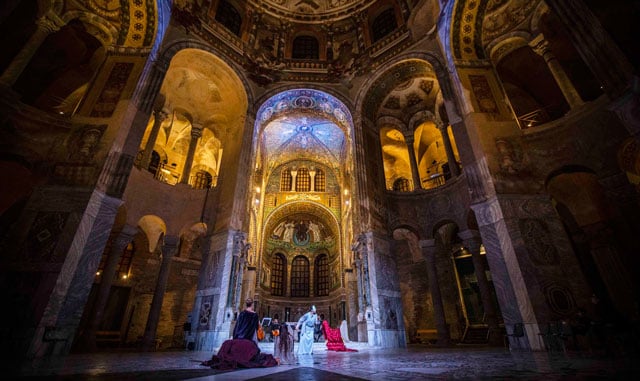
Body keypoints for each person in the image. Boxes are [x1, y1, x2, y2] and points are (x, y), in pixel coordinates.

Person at [202, 297, 278, 370]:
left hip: (238, 337)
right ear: (252, 305)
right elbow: (256, 329)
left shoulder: (241, 313)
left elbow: (237, 326)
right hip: (248, 338)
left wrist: (235, 338)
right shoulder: (255, 315)